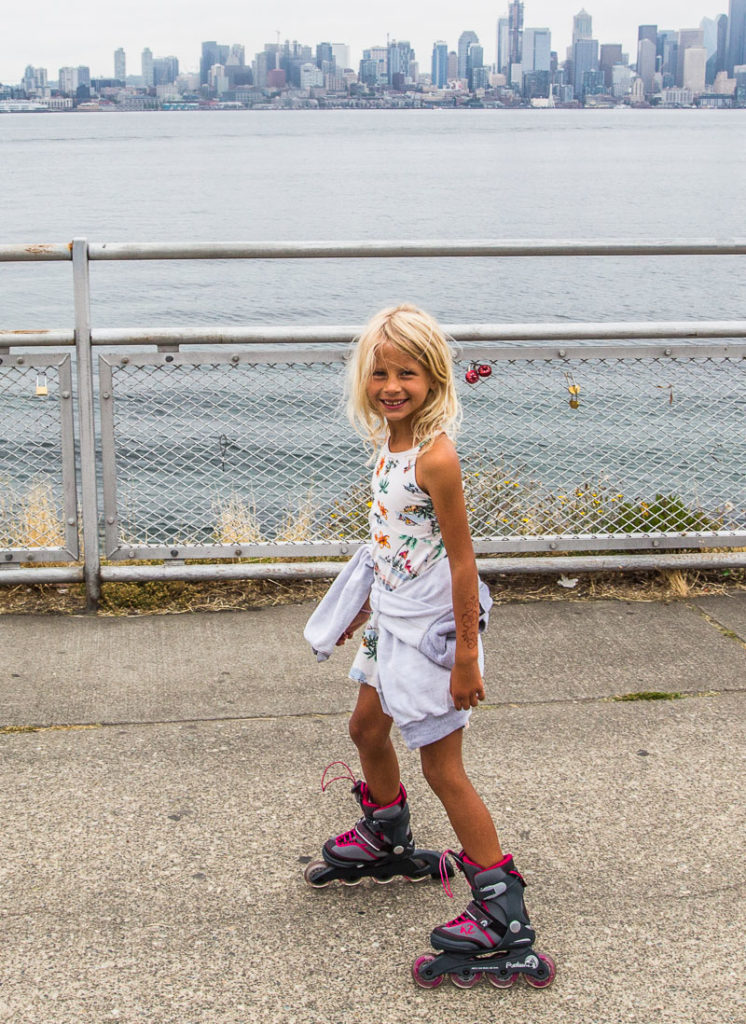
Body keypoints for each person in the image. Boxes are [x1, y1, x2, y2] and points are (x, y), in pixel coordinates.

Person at [303, 304, 554, 989]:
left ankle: (503, 912)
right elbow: (393, 540)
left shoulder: (436, 456)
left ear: (434, 377)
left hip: (433, 632)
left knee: (444, 768)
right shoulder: (389, 443)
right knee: (364, 727)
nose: (391, 384)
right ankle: (387, 830)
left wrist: (468, 654)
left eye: (406, 373)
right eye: (380, 372)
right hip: (392, 617)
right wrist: (361, 605)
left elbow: (463, 561)